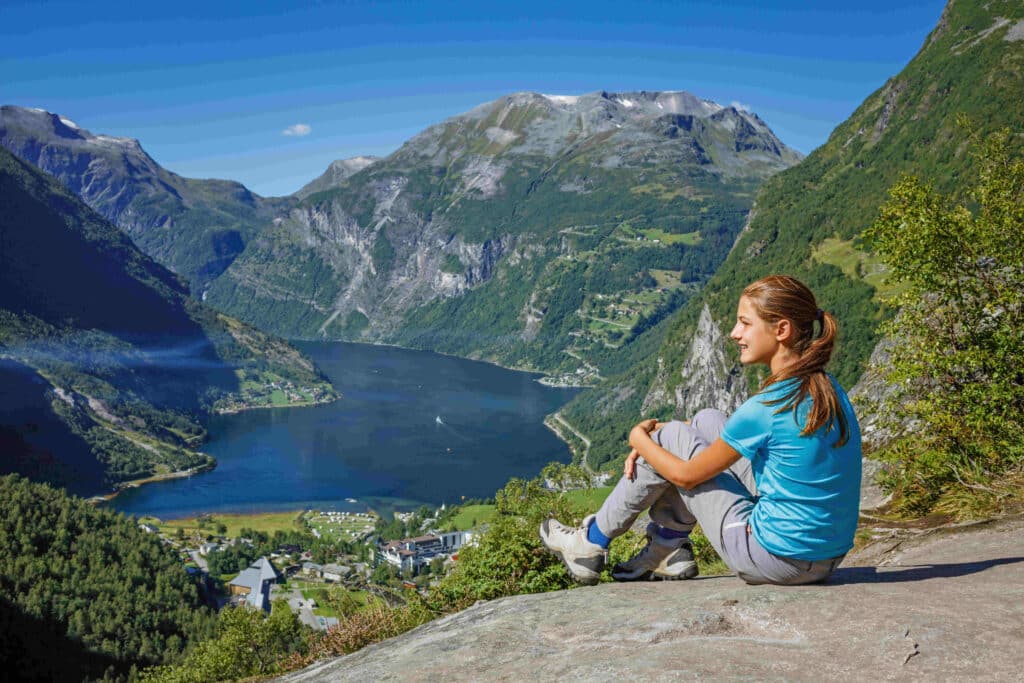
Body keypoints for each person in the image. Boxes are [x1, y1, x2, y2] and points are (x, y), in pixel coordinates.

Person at [540, 275, 862, 586]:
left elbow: (687, 477)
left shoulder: (767, 407)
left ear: (781, 329)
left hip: (774, 558)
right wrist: (669, 434)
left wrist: (640, 438)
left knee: (669, 438)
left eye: (745, 323)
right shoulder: (826, 389)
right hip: (824, 555)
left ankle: (591, 543)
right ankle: (668, 547)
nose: (735, 333)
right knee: (706, 420)